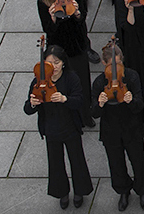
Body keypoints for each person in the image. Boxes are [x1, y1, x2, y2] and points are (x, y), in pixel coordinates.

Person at [24, 44, 93, 210]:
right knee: (55, 163)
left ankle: (80, 191)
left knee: (77, 160)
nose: (53, 67)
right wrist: (33, 103)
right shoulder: (38, 80)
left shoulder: (71, 78)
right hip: (51, 128)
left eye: (57, 62)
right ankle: (62, 192)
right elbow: (27, 109)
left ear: (63, 63)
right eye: (49, 63)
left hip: (70, 126)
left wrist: (64, 99)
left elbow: (79, 101)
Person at [90, 48, 144, 211]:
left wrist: (131, 101)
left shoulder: (131, 76)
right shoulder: (99, 82)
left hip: (131, 127)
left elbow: (140, 105)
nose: (116, 68)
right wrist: (100, 104)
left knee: (138, 161)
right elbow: (94, 113)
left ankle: (143, 191)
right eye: (111, 65)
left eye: (119, 63)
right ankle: (123, 190)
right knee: (116, 163)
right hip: (111, 130)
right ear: (103, 63)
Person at [36, 0, 95, 129]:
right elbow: (49, 30)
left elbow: (82, 19)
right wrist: (53, 19)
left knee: (82, 81)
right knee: (64, 82)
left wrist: (77, 13)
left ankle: (86, 114)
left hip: (76, 43)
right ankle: (71, 116)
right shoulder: (43, 3)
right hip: (59, 48)